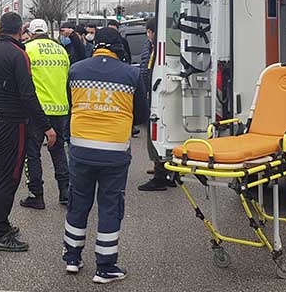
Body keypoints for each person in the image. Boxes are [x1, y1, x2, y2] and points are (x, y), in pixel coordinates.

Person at [62, 27, 147, 283]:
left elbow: (71, 103)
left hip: (80, 150)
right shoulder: (131, 74)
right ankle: (106, 267)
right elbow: (141, 114)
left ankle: (72, 258)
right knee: (110, 206)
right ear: (118, 47)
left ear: (96, 44)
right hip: (114, 153)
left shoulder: (76, 70)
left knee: (79, 202)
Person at [0, 12, 56, 252]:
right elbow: (27, 93)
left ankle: (1, 224)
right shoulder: (19, 54)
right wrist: (46, 126)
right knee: (9, 179)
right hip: (12, 123)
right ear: (20, 31)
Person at [19, 19, 70, 210]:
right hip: (59, 108)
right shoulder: (61, 50)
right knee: (58, 150)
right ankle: (65, 191)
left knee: (32, 153)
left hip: (36, 110)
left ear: (31, 33)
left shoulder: (27, 49)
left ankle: (36, 194)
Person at [138, 18, 175, 191]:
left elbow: (147, 70)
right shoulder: (160, 47)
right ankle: (166, 171)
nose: (148, 35)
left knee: (157, 133)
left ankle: (161, 175)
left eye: (149, 32)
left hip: (156, 94)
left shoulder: (158, 49)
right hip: (157, 93)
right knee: (163, 132)